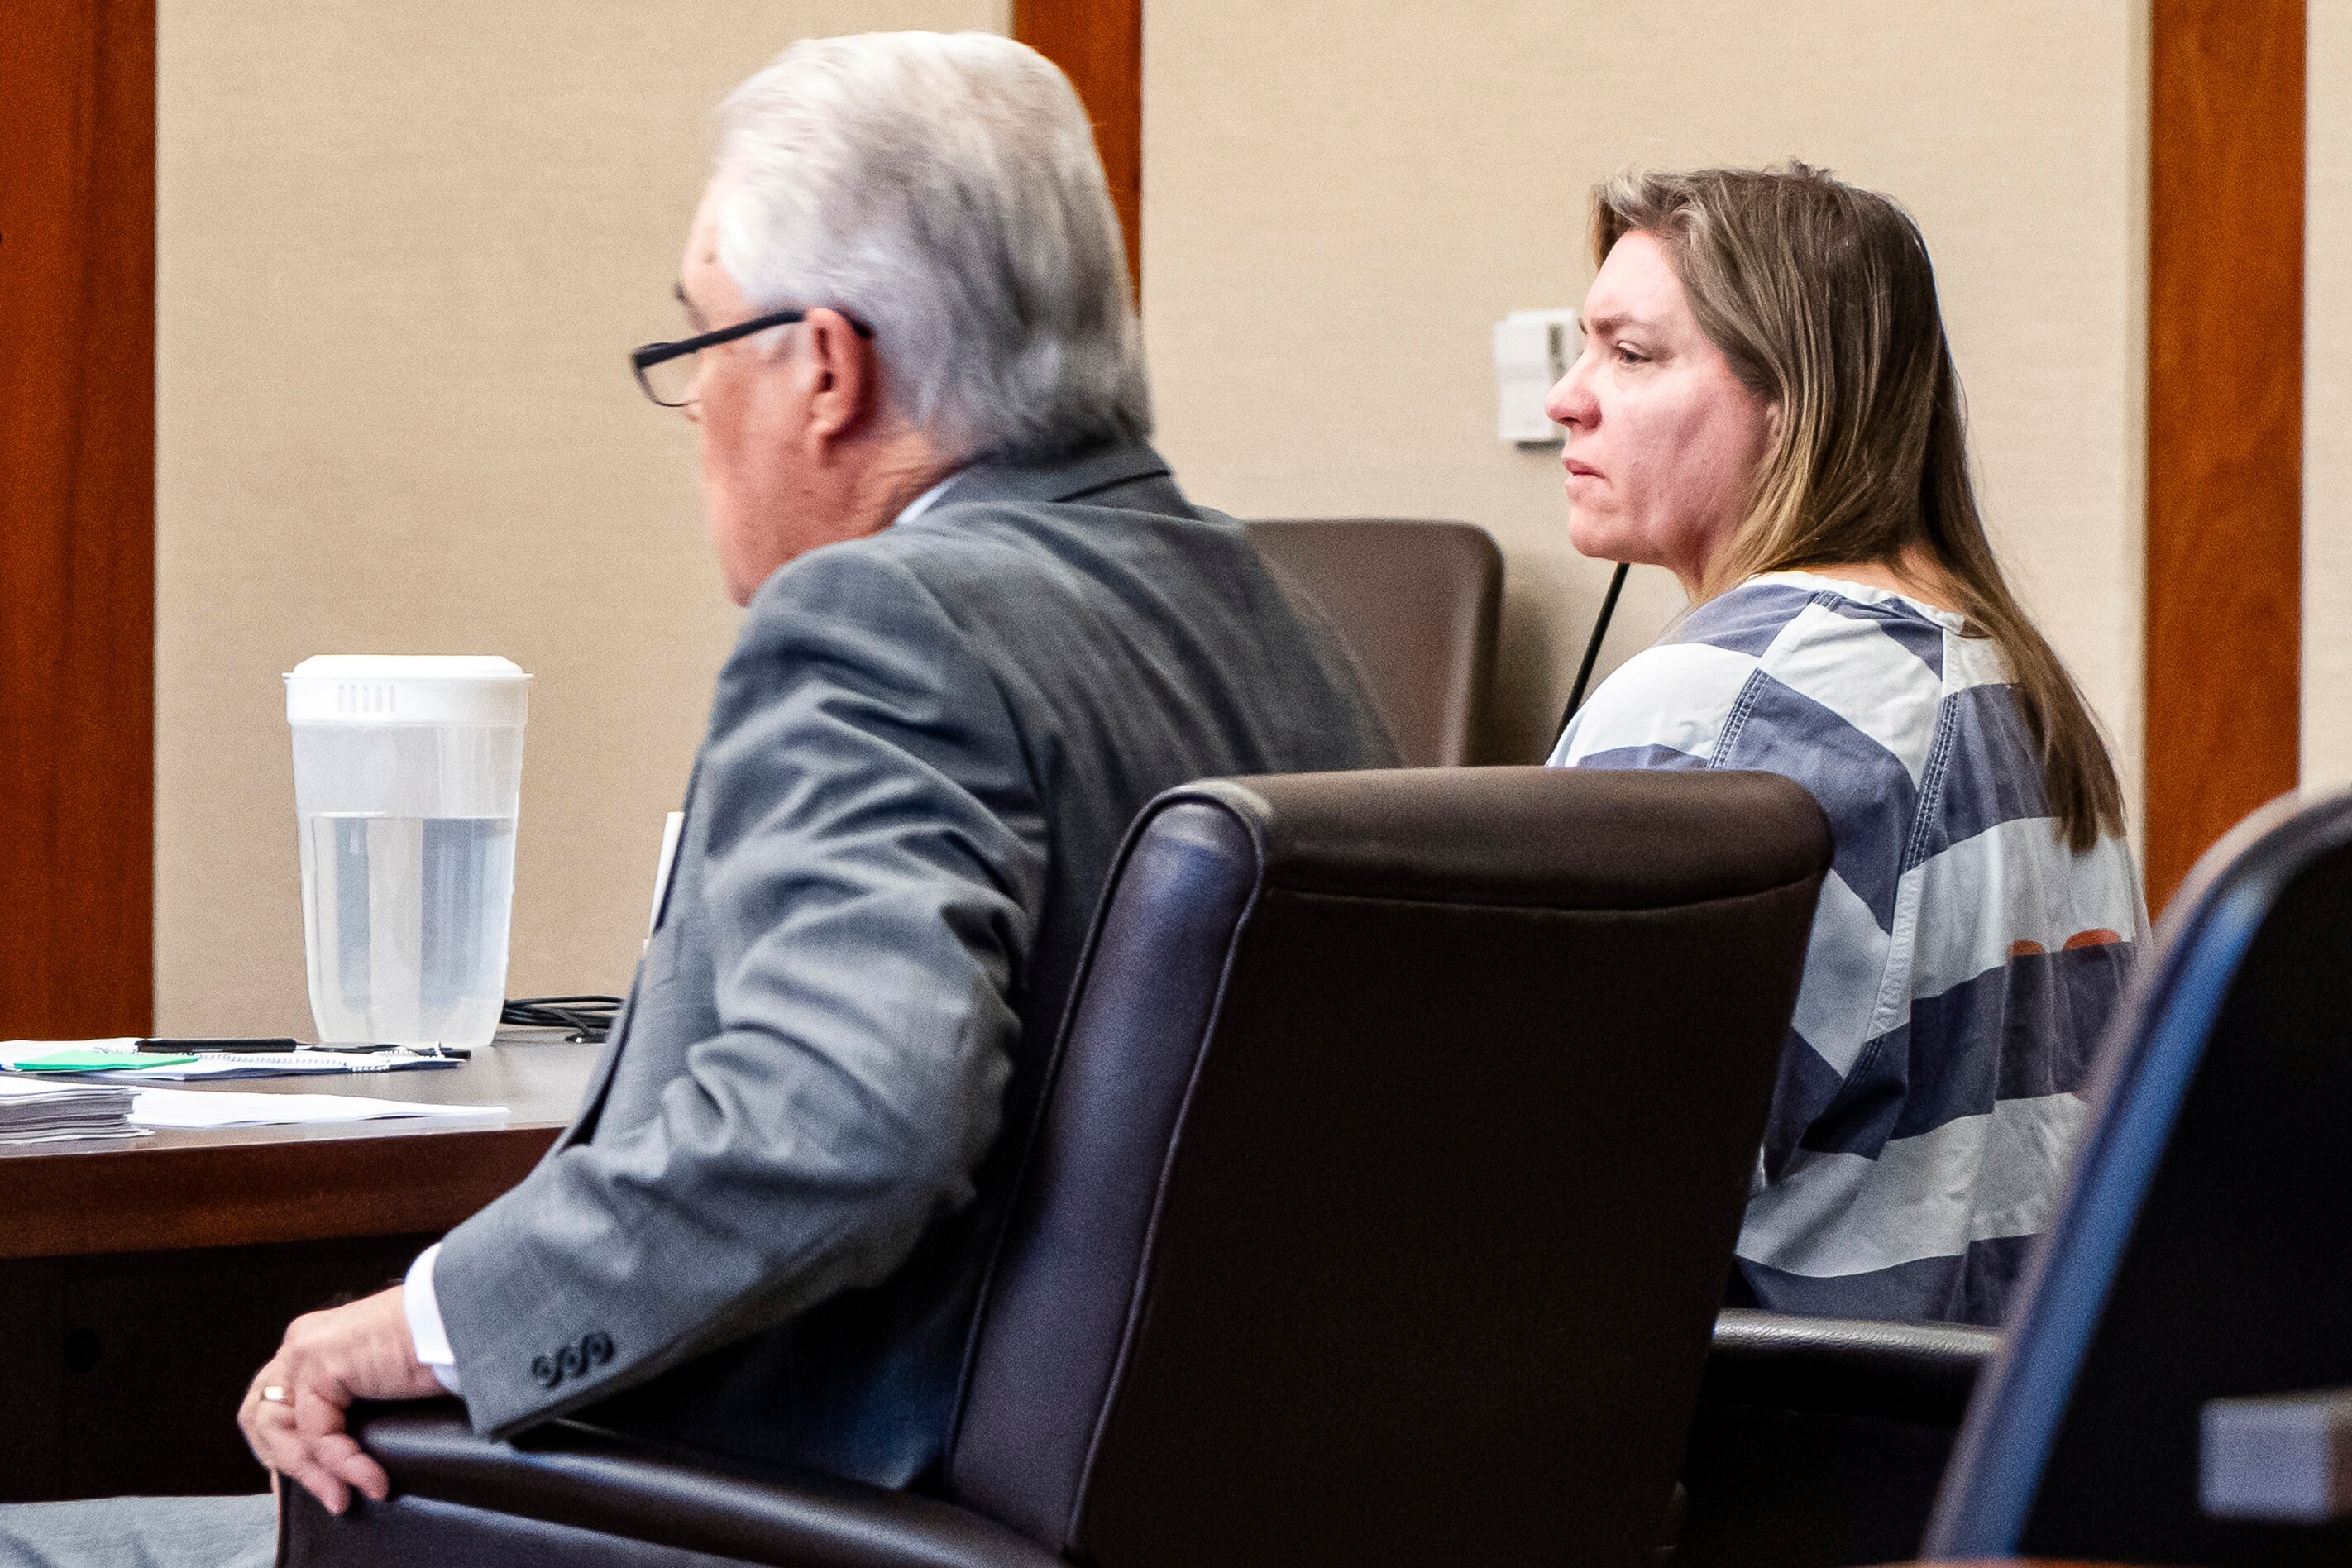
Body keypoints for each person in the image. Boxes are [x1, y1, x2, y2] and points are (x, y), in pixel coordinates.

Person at [0, 31, 1391, 1566]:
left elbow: (845, 1117)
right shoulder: (1282, 622)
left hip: (786, 1521)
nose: (696, 415)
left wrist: (427, 1326)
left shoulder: (879, 622)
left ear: (824, 367)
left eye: (698, 348)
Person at [1546, 164, 2144, 1327]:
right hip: (1979, 1455)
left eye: (1632, 355)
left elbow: (1560, 1207)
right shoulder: (2013, 680)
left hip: (1777, 1462)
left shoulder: (1721, 710)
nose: (1570, 400)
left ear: (1793, 398)